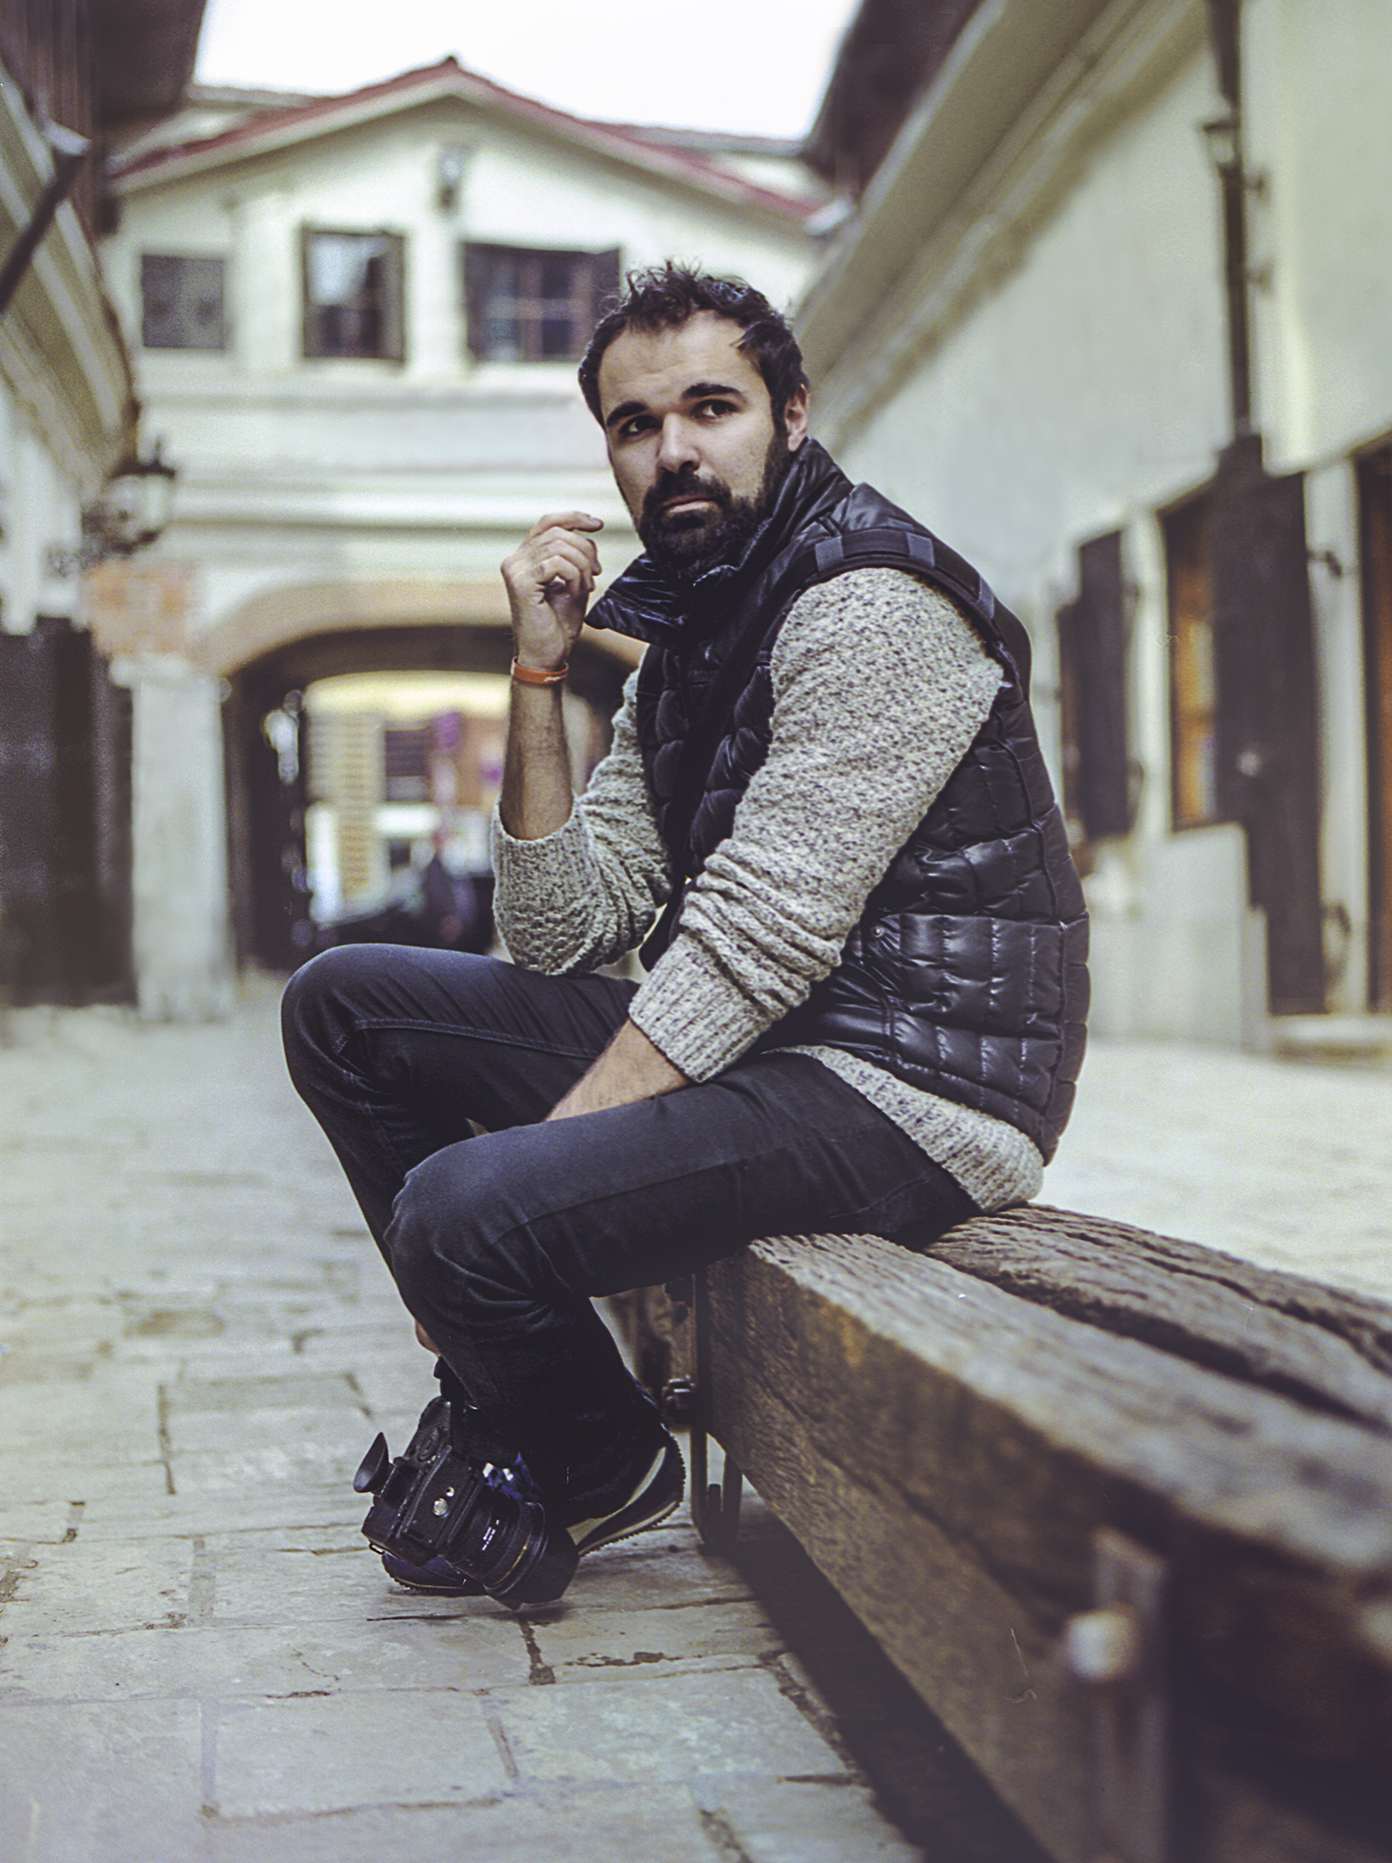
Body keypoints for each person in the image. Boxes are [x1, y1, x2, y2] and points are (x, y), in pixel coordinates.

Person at [282, 262, 1088, 1606]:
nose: (674, 452)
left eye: (710, 407)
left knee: (461, 1214)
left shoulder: (872, 603)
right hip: (783, 1052)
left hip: (918, 1085)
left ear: (790, 411)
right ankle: (538, 1393)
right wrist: (539, 675)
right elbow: (563, 930)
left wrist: (517, 1188)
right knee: (342, 1003)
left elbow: (751, 945)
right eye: (635, 425)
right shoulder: (694, 632)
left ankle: (595, 1464)